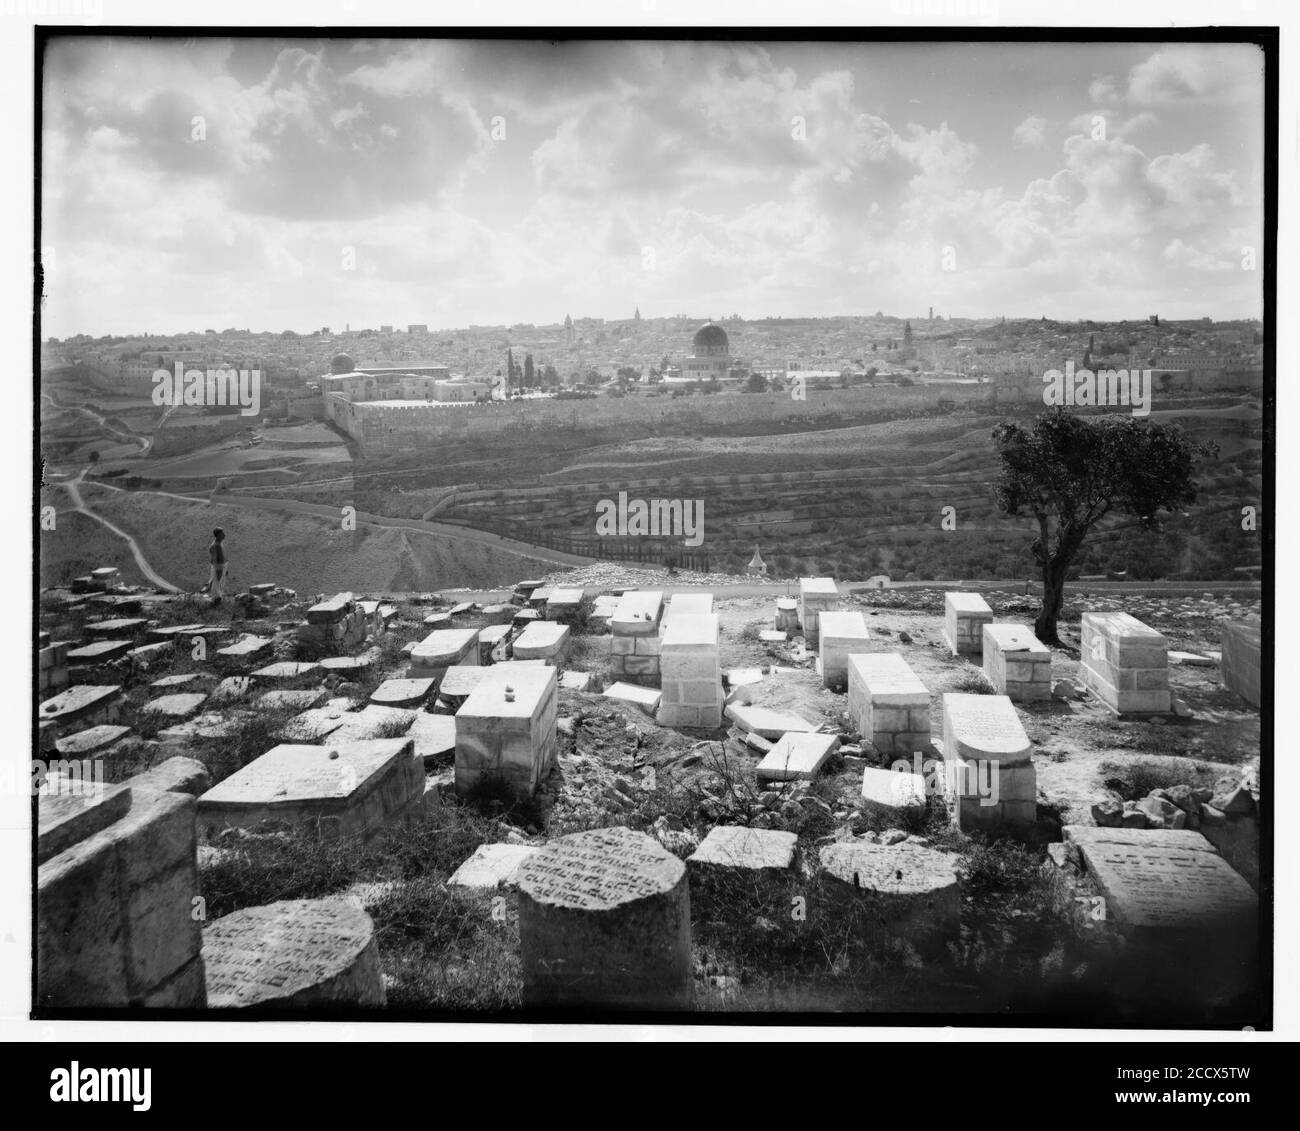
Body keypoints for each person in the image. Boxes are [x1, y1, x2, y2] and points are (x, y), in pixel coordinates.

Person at [205, 527, 228, 605]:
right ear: (218, 535)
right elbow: (214, 560)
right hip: (218, 567)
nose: (224, 534)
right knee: (216, 585)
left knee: (220, 585)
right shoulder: (214, 546)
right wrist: (219, 570)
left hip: (222, 566)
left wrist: (225, 568)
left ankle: (219, 601)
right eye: (222, 533)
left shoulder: (220, 543)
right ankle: (215, 602)